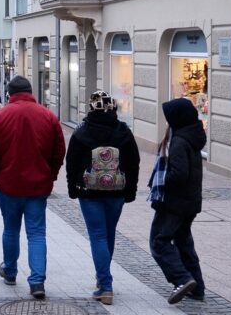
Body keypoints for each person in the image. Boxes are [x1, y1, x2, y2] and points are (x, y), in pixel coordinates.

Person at [0, 75, 66, 299]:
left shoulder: (0, 117)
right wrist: (51, 174)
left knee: (10, 229)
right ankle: (37, 281)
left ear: (9, 94)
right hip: (38, 185)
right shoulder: (48, 116)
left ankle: (10, 270)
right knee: (37, 233)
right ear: (31, 91)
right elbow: (59, 150)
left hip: (8, 184)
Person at [64, 91, 140, 305]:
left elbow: (71, 163)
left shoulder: (81, 132)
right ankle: (103, 277)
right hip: (116, 191)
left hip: (89, 192)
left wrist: (72, 188)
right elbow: (134, 163)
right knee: (108, 234)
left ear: (91, 108)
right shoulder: (124, 132)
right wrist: (131, 191)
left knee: (97, 236)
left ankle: (105, 285)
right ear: (112, 108)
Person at [149, 98, 206, 305]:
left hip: (175, 203)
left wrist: (162, 182)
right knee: (183, 242)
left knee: (159, 242)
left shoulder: (180, 141)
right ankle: (197, 287)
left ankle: (182, 280)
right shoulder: (191, 136)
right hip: (189, 202)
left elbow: (179, 174)